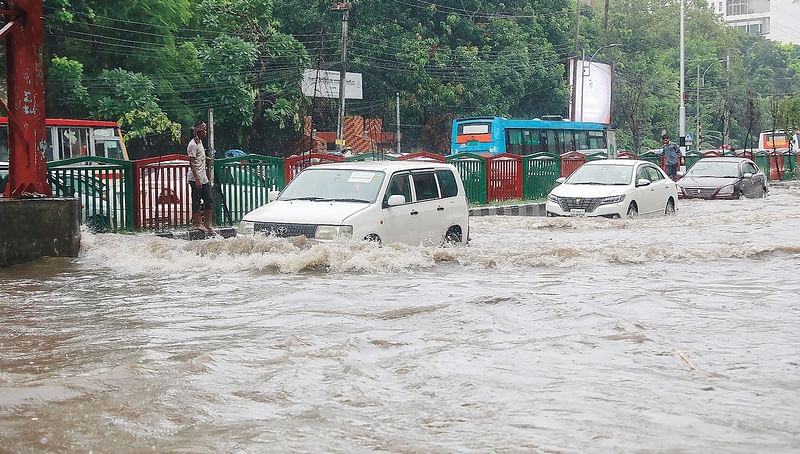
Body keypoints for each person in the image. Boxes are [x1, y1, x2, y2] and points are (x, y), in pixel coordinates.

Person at [187, 121, 213, 233]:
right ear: (199, 131)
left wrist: (205, 158)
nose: (206, 132)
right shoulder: (192, 144)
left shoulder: (200, 143)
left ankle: (207, 224)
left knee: (209, 200)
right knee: (196, 200)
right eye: (204, 130)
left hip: (203, 177)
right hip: (195, 177)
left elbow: (198, 157)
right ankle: (197, 224)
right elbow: (192, 162)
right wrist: (197, 179)